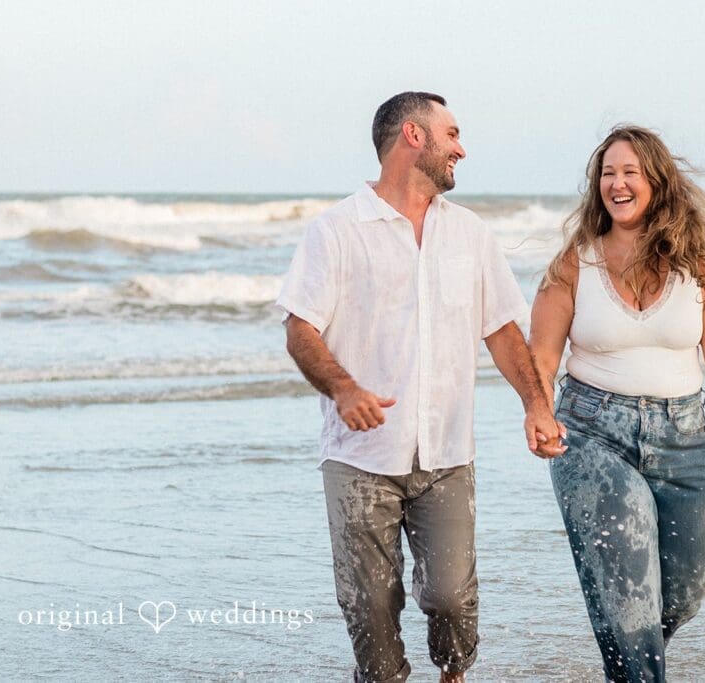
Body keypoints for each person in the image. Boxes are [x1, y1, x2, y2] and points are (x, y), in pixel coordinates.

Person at [277, 91, 564, 683]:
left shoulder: (470, 234)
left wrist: (537, 404)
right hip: (359, 459)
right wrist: (344, 389)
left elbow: (503, 332)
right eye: (452, 134)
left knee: (452, 599)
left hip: (447, 456)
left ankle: (454, 673)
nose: (462, 147)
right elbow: (300, 329)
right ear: (414, 136)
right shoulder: (336, 231)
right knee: (371, 612)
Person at [529, 125, 705, 682]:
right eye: (606, 174)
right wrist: (538, 411)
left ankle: (629, 656)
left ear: (657, 182)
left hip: (684, 441)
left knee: (684, 592)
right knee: (626, 590)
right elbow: (542, 357)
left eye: (629, 173)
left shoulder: (701, 266)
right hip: (592, 434)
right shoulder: (576, 263)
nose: (616, 185)